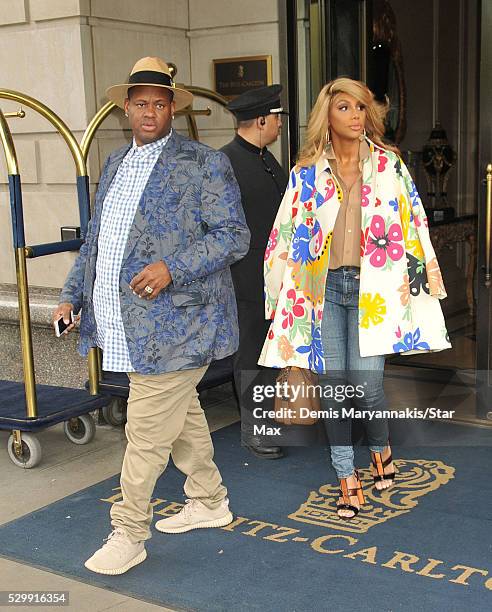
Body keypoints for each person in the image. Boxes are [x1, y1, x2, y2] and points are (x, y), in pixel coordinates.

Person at [52, 56, 250, 574]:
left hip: (181, 325)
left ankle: (128, 531)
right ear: (125, 108)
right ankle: (209, 500)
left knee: (144, 432)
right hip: (126, 325)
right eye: (140, 104)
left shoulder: (204, 163)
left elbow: (234, 236)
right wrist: (72, 295)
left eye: (159, 104)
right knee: (180, 417)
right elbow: (98, 241)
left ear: (172, 108)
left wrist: (172, 268)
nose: (149, 112)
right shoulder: (115, 164)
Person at [258, 77, 450, 519]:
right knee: (333, 390)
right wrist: (279, 301)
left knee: (367, 386)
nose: (356, 115)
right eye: (344, 107)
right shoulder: (306, 173)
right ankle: (346, 476)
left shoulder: (389, 166)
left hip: (372, 293)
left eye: (361, 107)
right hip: (323, 292)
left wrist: (426, 285)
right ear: (327, 114)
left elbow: (414, 225)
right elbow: (282, 238)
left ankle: (380, 448)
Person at [221, 85, 288, 459]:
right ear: (262, 119)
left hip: (276, 278)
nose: (279, 126)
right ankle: (254, 428)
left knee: (270, 355)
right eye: (276, 118)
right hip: (246, 278)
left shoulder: (267, 159)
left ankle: (270, 418)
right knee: (250, 355)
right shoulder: (225, 162)